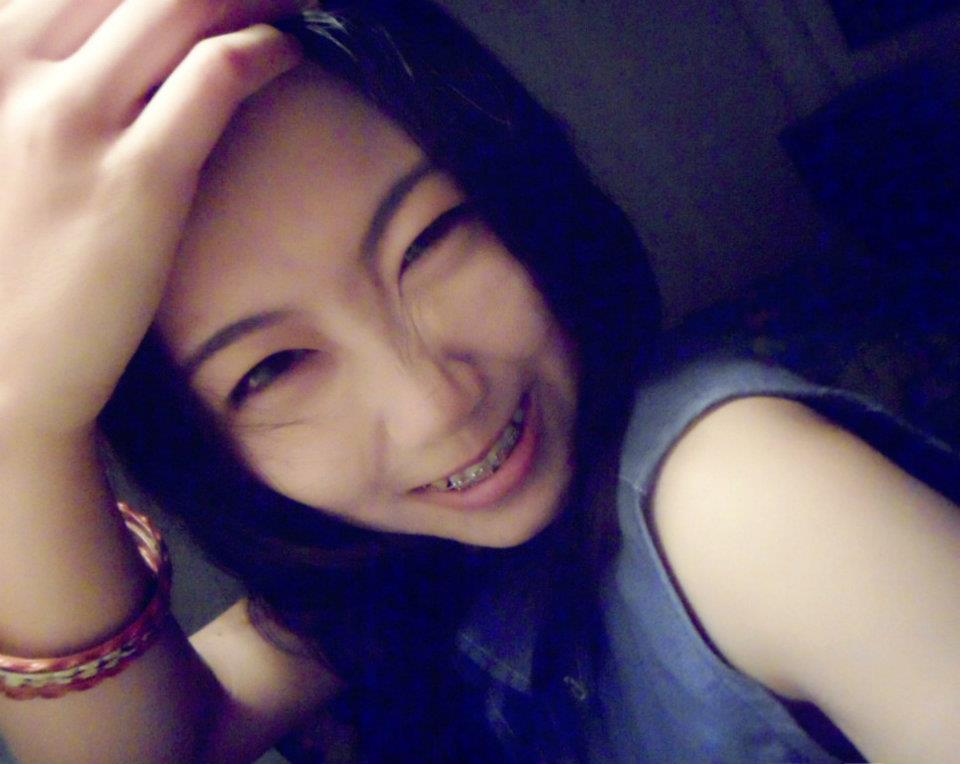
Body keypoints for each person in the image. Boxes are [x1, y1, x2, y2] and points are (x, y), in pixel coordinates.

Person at [0, 1, 957, 762]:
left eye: (430, 240)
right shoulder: (389, 579)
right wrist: (26, 427)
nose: (437, 409)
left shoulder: (754, 497)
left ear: (515, 192)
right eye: (272, 369)